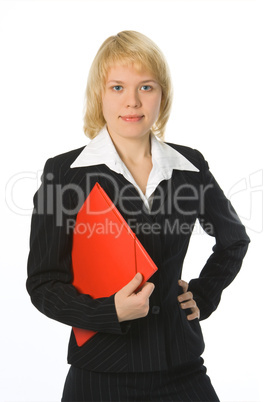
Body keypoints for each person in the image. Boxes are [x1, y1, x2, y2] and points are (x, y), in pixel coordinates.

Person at [26, 30, 250, 401]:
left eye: (146, 87)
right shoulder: (64, 173)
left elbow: (233, 240)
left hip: (181, 367)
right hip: (100, 373)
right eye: (117, 87)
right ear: (99, 95)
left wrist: (203, 295)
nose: (132, 101)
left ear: (163, 94)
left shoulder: (189, 166)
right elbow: (43, 284)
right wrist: (108, 311)